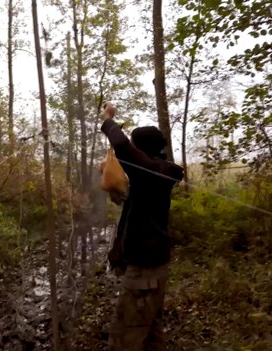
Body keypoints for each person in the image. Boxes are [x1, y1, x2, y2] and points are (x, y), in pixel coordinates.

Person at [100, 102, 183, 351]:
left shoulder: (152, 172)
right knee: (150, 331)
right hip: (153, 268)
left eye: (137, 148)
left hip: (146, 273)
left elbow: (124, 148)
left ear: (143, 150)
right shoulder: (152, 175)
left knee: (127, 336)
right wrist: (107, 173)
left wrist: (108, 119)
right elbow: (126, 200)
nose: (132, 150)